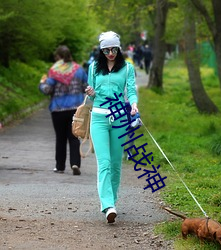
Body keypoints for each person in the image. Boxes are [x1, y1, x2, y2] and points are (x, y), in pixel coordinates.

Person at [85, 31, 138, 223]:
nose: (110, 53)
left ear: (119, 48)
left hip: (119, 119)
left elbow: (130, 90)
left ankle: (112, 201)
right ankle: (107, 205)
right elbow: (91, 97)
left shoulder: (127, 68)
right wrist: (90, 92)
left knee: (116, 164)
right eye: (106, 50)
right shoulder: (93, 68)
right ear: (101, 50)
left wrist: (133, 104)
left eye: (114, 49)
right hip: (98, 118)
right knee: (104, 163)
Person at [39, 45, 88, 175]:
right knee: (74, 137)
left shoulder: (54, 71)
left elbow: (47, 90)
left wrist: (42, 83)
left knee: (60, 138)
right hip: (75, 109)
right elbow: (86, 87)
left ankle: (60, 166)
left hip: (58, 109)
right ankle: (75, 163)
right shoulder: (79, 70)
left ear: (58, 57)